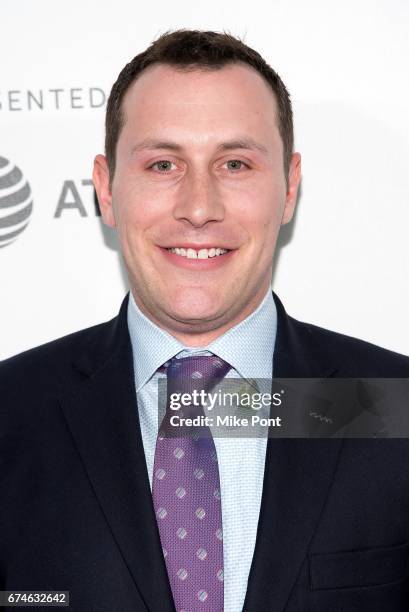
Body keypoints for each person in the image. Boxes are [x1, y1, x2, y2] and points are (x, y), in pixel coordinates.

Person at [1, 30, 409, 612]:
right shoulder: (11, 413)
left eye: (235, 163)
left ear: (289, 188)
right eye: (163, 163)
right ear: (106, 189)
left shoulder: (390, 406)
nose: (198, 207)